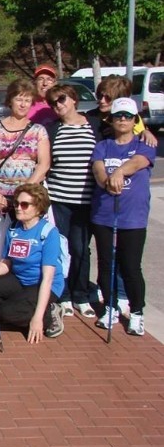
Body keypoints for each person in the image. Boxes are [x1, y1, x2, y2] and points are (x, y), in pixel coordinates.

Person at [0, 184, 65, 343]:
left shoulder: (48, 232)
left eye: (24, 205)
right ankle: (22, 306)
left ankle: (49, 315)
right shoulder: (14, 229)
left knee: (6, 314)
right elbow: (7, 262)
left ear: (39, 208)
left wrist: (37, 319)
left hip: (43, 284)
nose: (18, 208)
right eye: (16, 203)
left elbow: (48, 278)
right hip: (20, 279)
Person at [91, 98, 154, 336]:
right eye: (119, 116)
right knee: (106, 264)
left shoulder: (144, 144)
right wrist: (106, 180)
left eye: (128, 116)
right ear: (112, 119)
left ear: (135, 119)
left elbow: (139, 162)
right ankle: (109, 307)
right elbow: (98, 170)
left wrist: (118, 171)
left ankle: (137, 312)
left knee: (130, 266)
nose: (123, 120)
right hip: (105, 215)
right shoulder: (103, 146)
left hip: (133, 217)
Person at [44, 84, 103, 319]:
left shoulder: (96, 126)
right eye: (53, 102)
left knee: (81, 249)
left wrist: (146, 132)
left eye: (61, 99)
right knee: (61, 249)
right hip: (59, 199)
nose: (58, 104)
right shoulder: (52, 130)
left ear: (74, 99)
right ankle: (64, 294)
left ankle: (81, 294)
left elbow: (128, 131)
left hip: (86, 199)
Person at [0, 78, 50, 220]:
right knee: (2, 238)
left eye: (27, 100)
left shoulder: (38, 131)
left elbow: (44, 164)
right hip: (1, 196)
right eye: (19, 99)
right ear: (10, 100)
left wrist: (24, 192)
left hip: (29, 197)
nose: (23, 104)